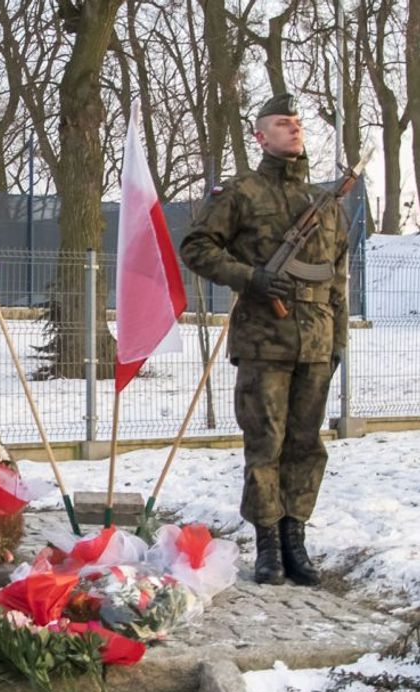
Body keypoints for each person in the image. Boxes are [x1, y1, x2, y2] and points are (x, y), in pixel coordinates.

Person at [180, 93, 348, 587]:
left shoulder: (326, 203)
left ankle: (297, 538)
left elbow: (336, 277)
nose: (294, 130)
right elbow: (196, 246)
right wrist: (248, 277)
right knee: (266, 443)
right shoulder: (241, 193)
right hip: (263, 340)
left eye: (297, 123)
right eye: (282, 123)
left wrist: (336, 340)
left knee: (306, 444)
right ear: (260, 135)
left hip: (315, 344)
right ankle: (269, 544)